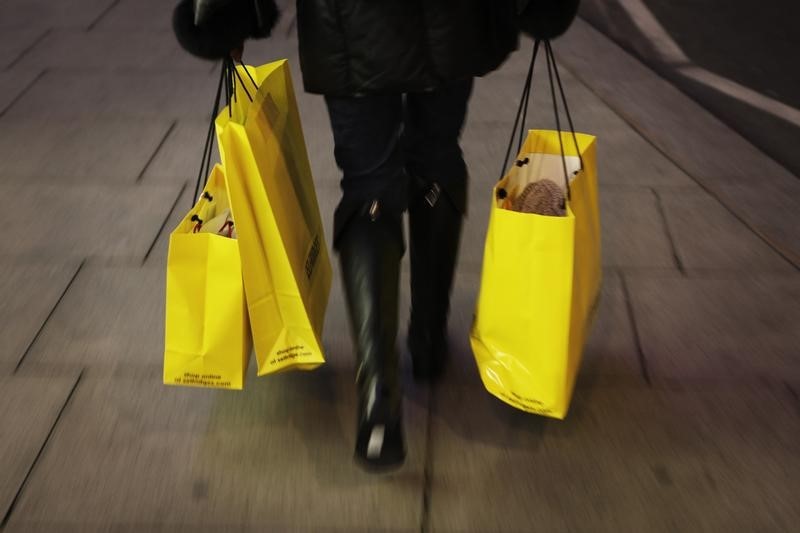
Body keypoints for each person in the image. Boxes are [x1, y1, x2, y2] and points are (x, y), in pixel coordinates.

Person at [173, 0, 579, 471]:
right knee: (438, 154)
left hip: (347, 20)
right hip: (455, 17)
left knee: (368, 182)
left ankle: (378, 395)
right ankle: (427, 341)